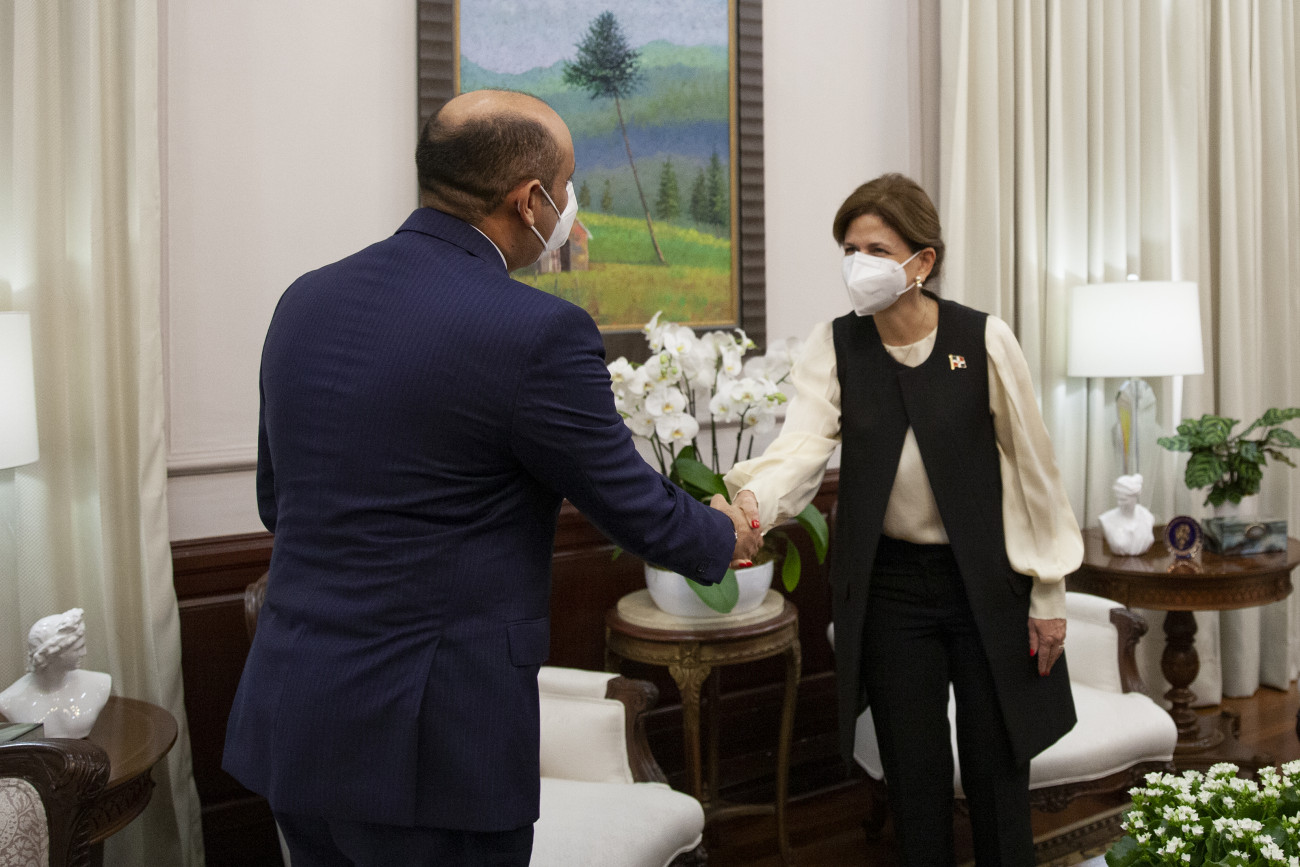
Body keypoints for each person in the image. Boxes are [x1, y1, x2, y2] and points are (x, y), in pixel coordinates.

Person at [223, 89, 761, 867]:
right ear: (530, 199)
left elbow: (278, 504)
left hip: (295, 721)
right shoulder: (536, 331)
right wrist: (726, 531)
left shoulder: (304, 300)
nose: (572, 208)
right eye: (568, 186)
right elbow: (632, 506)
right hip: (433, 750)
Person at [724, 174, 1082, 865]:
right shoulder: (836, 345)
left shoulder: (983, 338)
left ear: (923, 261)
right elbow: (802, 448)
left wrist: (1049, 592)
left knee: (998, 774)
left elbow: (1034, 472)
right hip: (891, 591)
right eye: (850, 249)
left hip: (986, 584)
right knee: (913, 783)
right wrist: (749, 505)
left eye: (877, 250)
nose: (859, 264)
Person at [0, 608, 111, 738]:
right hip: (42, 751)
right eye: (78, 649)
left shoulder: (100, 684)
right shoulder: (9, 700)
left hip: (83, 747)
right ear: (53, 655)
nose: (84, 653)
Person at [1098, 473, 1155, 555]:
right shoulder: (1106, 519)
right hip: (1118, 561)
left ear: (1135, 498)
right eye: (1118, 499)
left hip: (1144, 560)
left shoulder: (1147, 516)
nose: (1119, 503)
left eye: (1123, 500)